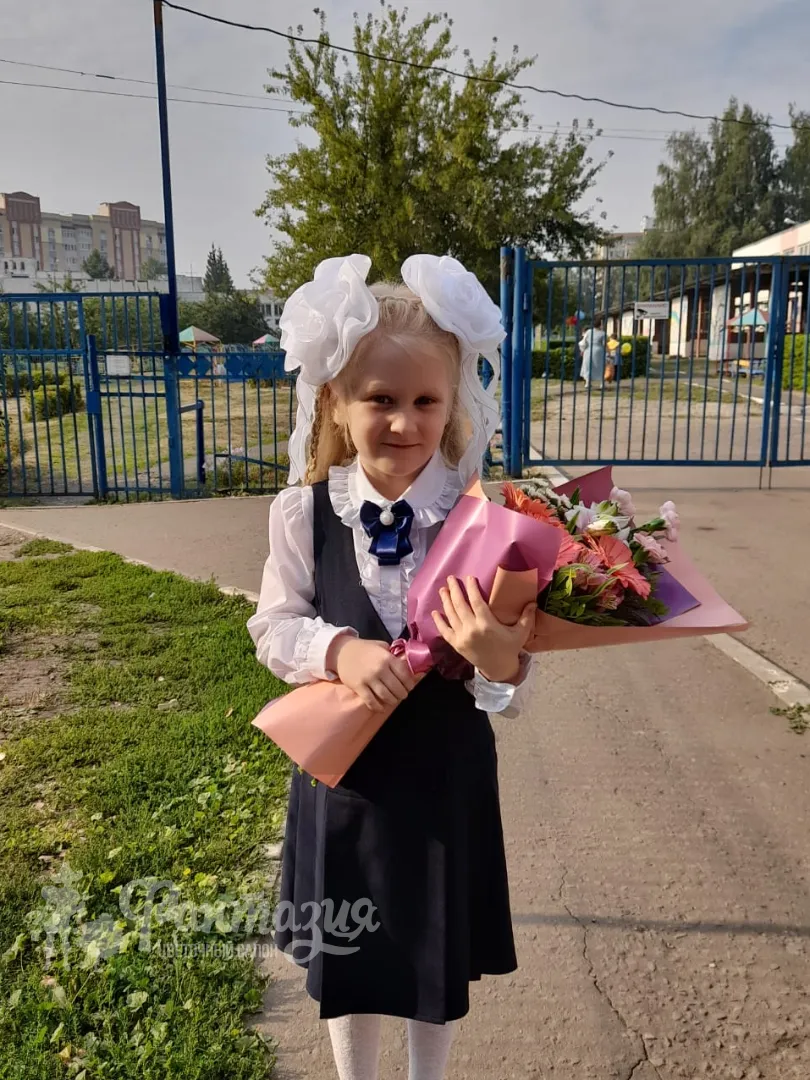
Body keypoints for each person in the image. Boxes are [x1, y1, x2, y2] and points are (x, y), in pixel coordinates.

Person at [247, 254, 538, 1080]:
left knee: (434, 950)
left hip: (447, 774)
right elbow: (273, 626)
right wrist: (340, 650)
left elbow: (511, 683)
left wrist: (499, 663)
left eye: (424, 401)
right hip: (350, 782)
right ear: (335, 403)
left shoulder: (481, 521)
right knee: (352, 954)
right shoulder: (303, 513)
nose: (404, 423)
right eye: (380, 399)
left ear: (452, 405)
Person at [578, 316, 606, 387]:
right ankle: (602, 383)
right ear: (600, 325)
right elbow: (604, 344)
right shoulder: (603, 333)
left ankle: (587, 383)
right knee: (600, 366)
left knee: (588, 366)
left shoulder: (588, 331)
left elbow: (584, 341)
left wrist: (582, 350)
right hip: (599, 351)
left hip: (588, 350)